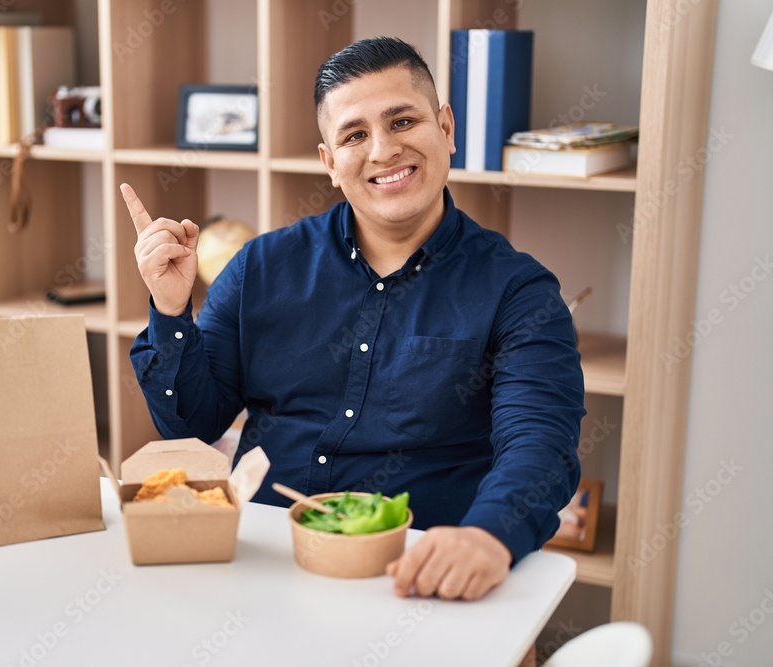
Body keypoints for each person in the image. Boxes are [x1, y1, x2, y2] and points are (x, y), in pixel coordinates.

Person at [123, 37, 585, 601]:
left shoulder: (518, 289)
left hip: (418, 572)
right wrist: (172, 310)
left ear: (446, 127)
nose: (383, 150)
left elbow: (540, 445)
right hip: (267, 565)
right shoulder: (260, 267)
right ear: (330, 163)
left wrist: (487, 536)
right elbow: (190, 427)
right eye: (355, 134)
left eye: (403, 120)